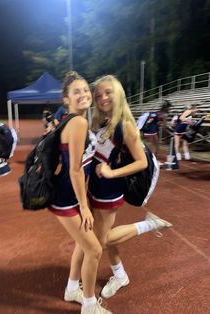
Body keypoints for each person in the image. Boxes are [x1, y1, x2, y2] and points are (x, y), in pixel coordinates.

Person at [88, 75, 172, 299]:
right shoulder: (103, 122)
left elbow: (141, 162)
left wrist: (111, 172)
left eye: (108, 92)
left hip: (109, 190)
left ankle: (148, 225)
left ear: (118, 94)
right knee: (103, 237)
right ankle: (120, 275)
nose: (103, 98)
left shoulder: (125, 125)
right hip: (96, 187)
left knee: (101, 240)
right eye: (98, 95)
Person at [47, 71, 112, 314]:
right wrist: (84, 206)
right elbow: (74, 169)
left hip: (67, 195)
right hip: (67, 198)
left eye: (86, 90)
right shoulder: (78, 122)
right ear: (66, 99)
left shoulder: (71, 119)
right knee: (94, 250)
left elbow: (80, 165)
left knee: (82, 245)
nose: (84, 94)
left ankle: (72, 289)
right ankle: (89, 305)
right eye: (77, 92)